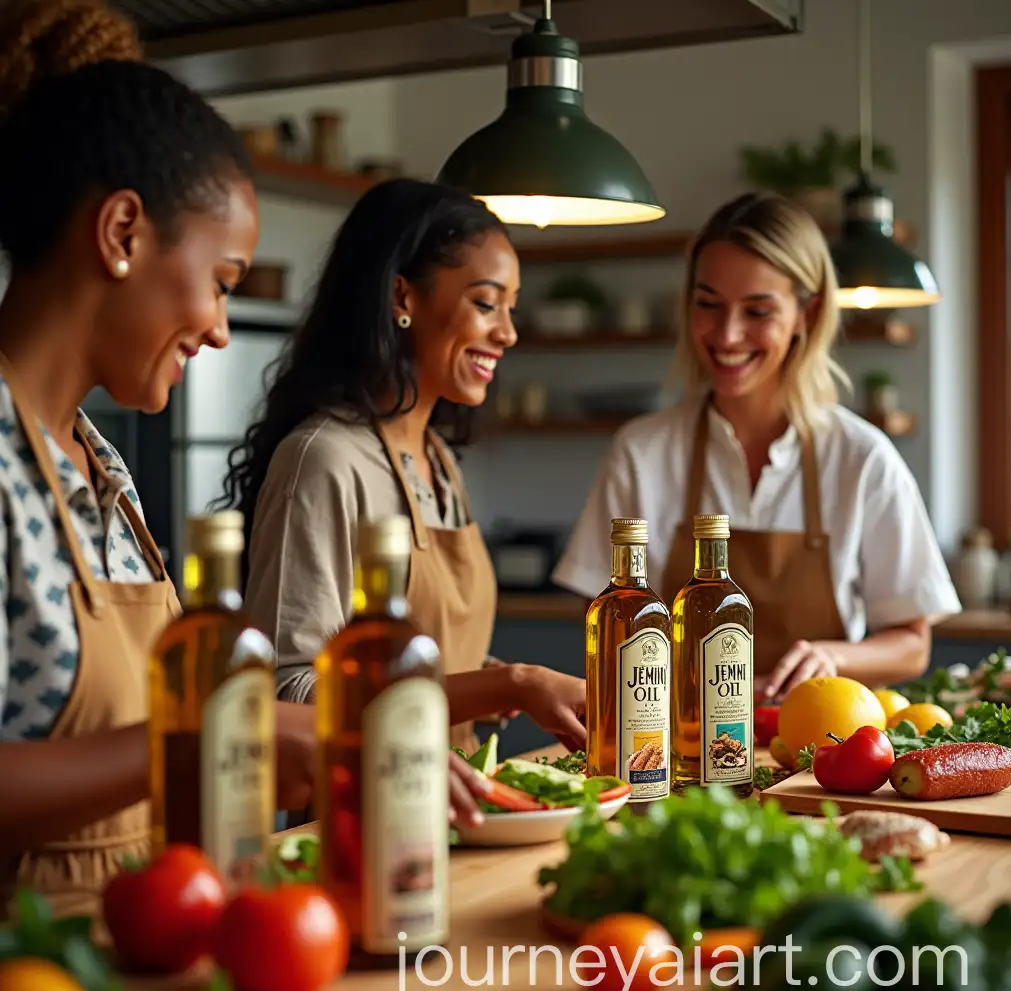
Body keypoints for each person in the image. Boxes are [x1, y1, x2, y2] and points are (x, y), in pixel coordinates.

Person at [0, 0, 487, 920]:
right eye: (221, 282)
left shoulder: (98, 465)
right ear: (121, 233)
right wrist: (213, 738)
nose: (222, 329)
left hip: (154, 948)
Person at [217, 177, 587, 769]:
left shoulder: (438, 461)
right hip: (356, 818)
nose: (508, 333)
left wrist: (507, 685)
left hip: (455, 802)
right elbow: (289, 696)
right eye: (487, 303)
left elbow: (423, 658)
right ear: (403, 298)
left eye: (511, 309)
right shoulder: (326, 459)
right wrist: (509, 683)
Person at [552, 192, 961, 701]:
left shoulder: (862, 458)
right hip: (677, 753)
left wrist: (832, 656)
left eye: (758, 310)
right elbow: (606, 626)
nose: (727, 334)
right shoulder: (641, 452)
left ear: (806, 315)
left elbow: (911, 644)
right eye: (709, 305)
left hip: (818, 757)